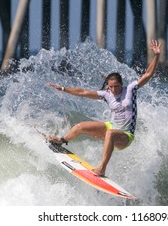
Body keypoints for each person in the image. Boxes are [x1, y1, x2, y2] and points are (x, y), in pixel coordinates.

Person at [46, 39, 161, 176]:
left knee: (110, 133)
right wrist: (63, 88)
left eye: (116, 86)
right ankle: (61, 141)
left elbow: (148, 74)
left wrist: (157, 56)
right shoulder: (106, 94)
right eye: (110, 86)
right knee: (80, 126)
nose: (113, 89)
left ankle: (102, 168)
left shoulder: (130, 89)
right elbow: (83, 92)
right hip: (111, 127)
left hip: (125, 136)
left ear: (121, 84)